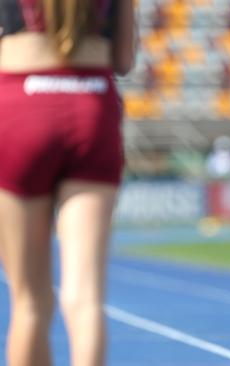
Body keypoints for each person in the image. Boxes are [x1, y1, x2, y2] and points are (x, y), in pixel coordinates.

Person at [0, 1, 136, 365]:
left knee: (28, 302)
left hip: (18, 101)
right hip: (90, 101)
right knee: (85, 298)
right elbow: (123, 60)